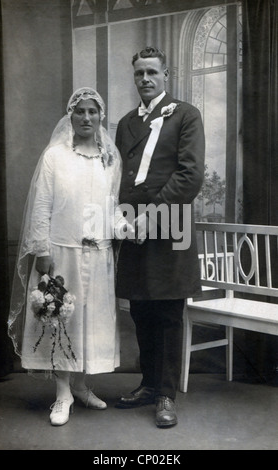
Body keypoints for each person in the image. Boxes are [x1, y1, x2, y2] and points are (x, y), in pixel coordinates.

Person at [8, 87, 134, 426]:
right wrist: (42, 251)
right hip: (62, 255)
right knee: (61, 321)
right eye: (80, 112)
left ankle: (80, 385)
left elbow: (110, 207)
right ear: (71, 115)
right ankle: (62, 393)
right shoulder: (55, 156)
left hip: (99, 256)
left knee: (89, 323)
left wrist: (126, 227)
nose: (87, 118)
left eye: (93, 111)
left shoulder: (110, 159)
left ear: (100, 116)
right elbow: (42, 207)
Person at [115, 47, 205, 428]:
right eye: (140, 74)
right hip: (131, 227)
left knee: (168, 310)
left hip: (171, 225)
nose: (146, 79)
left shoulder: (186, 115)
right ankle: (150, 384)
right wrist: (120, 220)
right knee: (140, 309)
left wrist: (148, 217)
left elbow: (190, 175)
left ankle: (166, 393)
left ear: (166, 74)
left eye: (152, 72)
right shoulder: (125, 123)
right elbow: (118, 177)